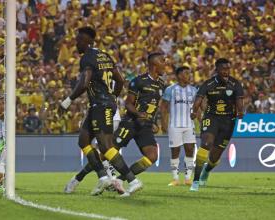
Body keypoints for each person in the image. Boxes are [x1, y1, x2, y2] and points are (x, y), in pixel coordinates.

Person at [64, 53, 165, 195]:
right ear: (154, 64)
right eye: (163, 61)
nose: (165, 64)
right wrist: (138, 114)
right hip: (131, 123)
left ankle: (119, 180)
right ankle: (77, 178)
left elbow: (153, 106)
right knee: (106, 153)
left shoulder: (161, 84)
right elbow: (129, 104)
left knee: (152, 156)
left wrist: (153, 122)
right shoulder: (139, 81)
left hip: (146, 127)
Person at [60, 26, 141, 196]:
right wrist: (112, 97)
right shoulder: (105, 56)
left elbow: (83, 83)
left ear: (89, 41)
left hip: (101, 105)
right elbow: (120, 80)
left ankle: (132, 180)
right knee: (83, 140)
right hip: (100, 105)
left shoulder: (87, 58)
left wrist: (67, 101)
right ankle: (103, 178)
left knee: (106, 146)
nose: (77, 43)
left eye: (80, 40)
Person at [189, 58, 244, 192]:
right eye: (223, 69)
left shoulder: (235, 83)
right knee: (206, 144)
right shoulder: (208, 84)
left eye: (228, 69)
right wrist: (194, 111)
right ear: (217, 70)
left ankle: (206, 170)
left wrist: (240, 112)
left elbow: (239, 102)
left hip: (228, 121)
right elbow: (199, 99)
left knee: (215, 157)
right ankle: (195, 181)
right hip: (211, 117)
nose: (226, 72)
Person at [161, 66, 197, 186]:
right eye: (186, 73)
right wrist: (164, 123)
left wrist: (198, 115)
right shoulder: (170, 89)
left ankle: (187, 179)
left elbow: (198, 106)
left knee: (190, 150)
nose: (189, 75)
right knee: (175, 151)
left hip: (189, 125)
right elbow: (164, 107)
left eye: (189, 73)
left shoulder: (193, 90)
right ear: (179, 75)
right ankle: (175, 179)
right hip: (174, 125)